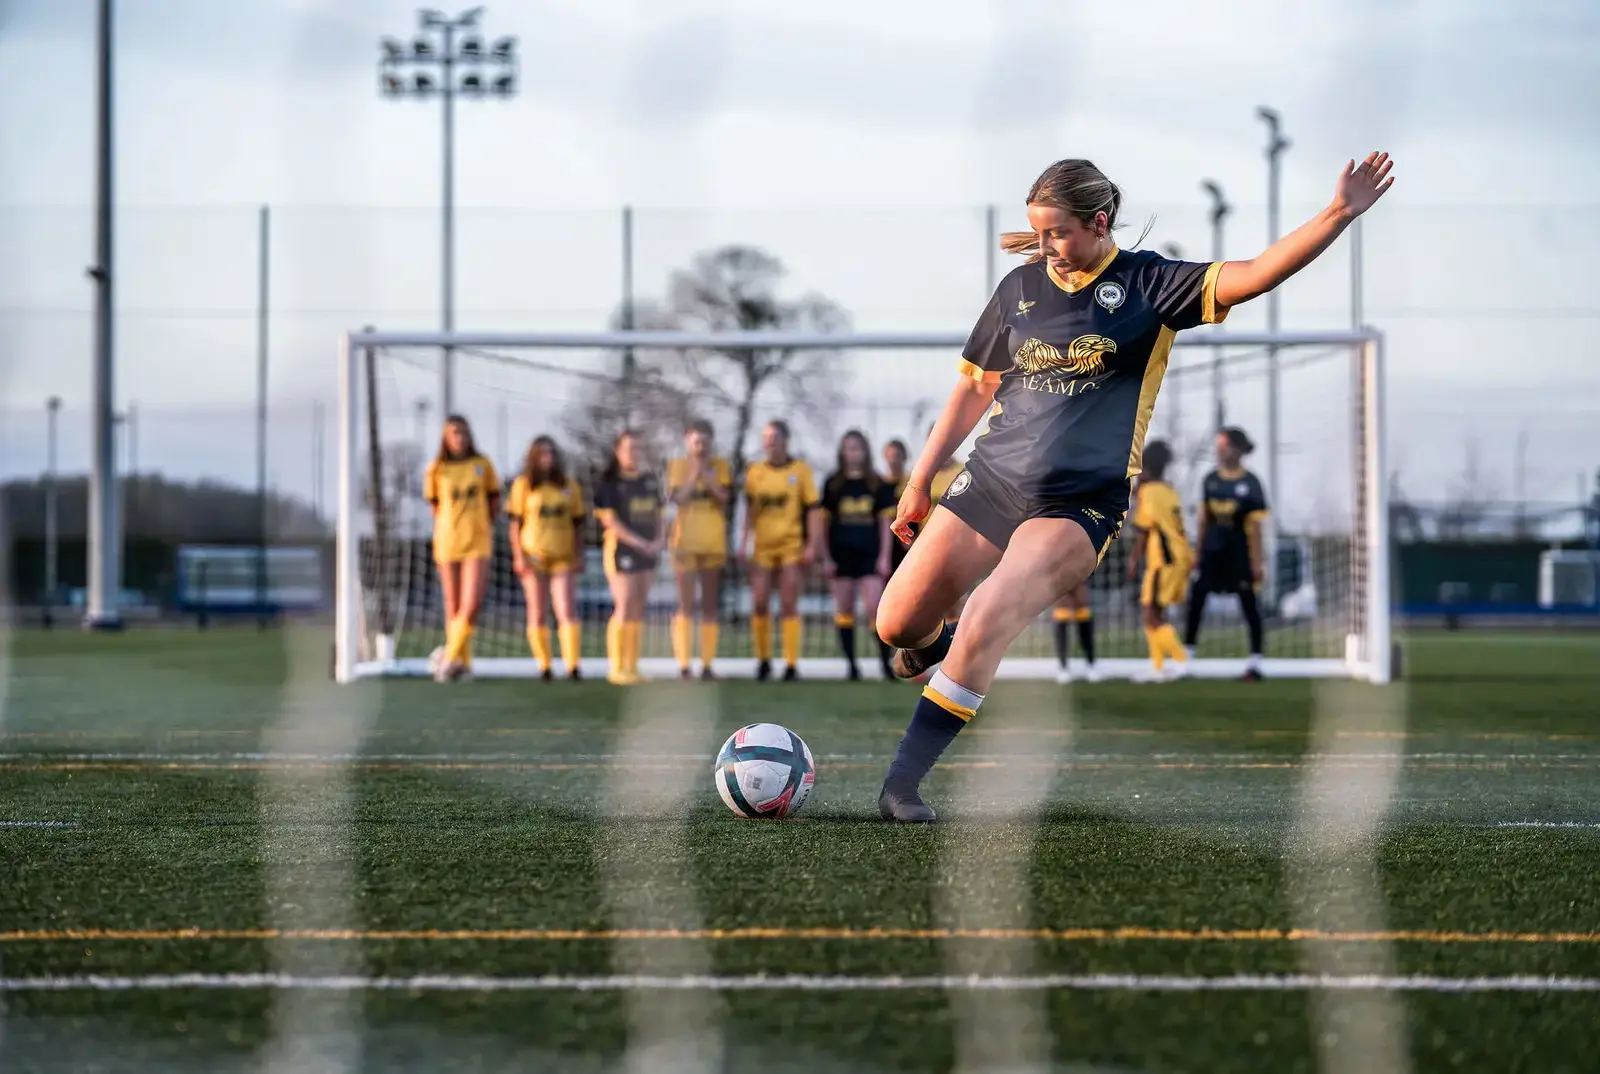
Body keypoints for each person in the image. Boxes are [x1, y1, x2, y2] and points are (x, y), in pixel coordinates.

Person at [875, 151, 1395, 822]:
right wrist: (920, 482)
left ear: (1098, 222)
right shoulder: (1019, 289)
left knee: (986, 618)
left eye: (1057, 233)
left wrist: (1335, 214)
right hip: (990, 482)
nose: (1046, 248)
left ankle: (901, 787)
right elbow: (975, 387)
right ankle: (939, 646)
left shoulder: (1150, 285)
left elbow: (1255, 275)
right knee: (896, 625)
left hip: (1076, 505)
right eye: (1037, 235)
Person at [1184, 427, 1269, 681]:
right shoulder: (1210, 479)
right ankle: (1186, 659)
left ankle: (1255, 663)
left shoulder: (1251, 483)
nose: (1220, 450)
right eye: (1218, 445)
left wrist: (1257, 561)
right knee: (1196, 599)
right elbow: (1203, 520)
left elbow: (1255, 528)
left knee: (1249, 604)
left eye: (1225, 445)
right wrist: (1197, 554)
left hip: (1238, 554)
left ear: (1238, 449)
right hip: (1211, 552)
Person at [741, 420, 823, 681]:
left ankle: (790, 664)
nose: (770, 441)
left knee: (789, 602)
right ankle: (763, 661)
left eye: (774, 436)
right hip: (763, 547)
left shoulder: (800, 470)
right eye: (766, 437)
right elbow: (750, 511)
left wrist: (811, 545)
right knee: (760, 601)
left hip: (790, 545)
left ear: (785, 440)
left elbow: (813, 510)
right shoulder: (755, 472)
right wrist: (743, 543)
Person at [423, 415, 500, 683]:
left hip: (477, 541)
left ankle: (449, 657)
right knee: (453, 605)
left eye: (463, 432)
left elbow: (493, 501)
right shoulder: (437, 469)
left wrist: (479, 524)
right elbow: (435, 506)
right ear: (446, 437)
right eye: (454, 433)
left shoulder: (482, 465)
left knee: (472, 603)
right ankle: (462, 663)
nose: (460, 438)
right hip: (448, 541)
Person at [506, 435, 585, 682]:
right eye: (542, 454)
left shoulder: (569, 486)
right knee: (537, 611)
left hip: (563, 555)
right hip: (534, 556)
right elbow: (515, 524)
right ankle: (545, 665)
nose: (547, 458)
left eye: (551, 453)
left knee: (566, 609)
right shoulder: (524, 486)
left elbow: (578, 523)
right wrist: (519, 556)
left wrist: (578, 553)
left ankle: (572, 666)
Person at [820, 430, 898, 679]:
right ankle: (852, 666)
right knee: (844, 610)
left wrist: (884, 557)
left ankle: (885, 664)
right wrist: (826, 557)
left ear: (865, 451)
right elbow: (821, 523)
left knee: (875, 608)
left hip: (869, 554)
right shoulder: (833, 484)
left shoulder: (877, 484)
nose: (853, 452)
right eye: (848, 448)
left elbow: (885, 523)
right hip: (841, 554)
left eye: (857, 448)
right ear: (842, 452)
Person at [594, 429, 664, 685]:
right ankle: (617, 667)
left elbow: (659, 515)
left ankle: (632, 666)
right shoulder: (610, 483)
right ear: (618, 451)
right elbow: (610, 522)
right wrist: (639, 543)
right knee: (624, 605)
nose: (634, 453)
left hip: (647, 551)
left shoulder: (649, 480)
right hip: (622, 551)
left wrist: (658, 540)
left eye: (638, 448)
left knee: (637, 608)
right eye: (629, 448)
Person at [667, 420, 733, 681]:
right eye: (696, 442)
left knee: (709, 604)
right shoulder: (678, 467)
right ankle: (684, 664)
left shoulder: (720, 468)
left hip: (712, 542)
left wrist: (708, 475)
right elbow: (678, 497)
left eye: (705, 442)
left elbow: (724, 498)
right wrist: (694, 473)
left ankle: (706, 664)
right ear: (687, 441)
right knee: (685, 605)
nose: (701, 448)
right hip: (685, 543)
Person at [1125, 439, 1193, 682]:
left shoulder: (1149, 493)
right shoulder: (1168, 489)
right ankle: (1158, 667)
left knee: (1149, 614)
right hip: (1179, 556)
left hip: (1163, 560)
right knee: (1156, 613)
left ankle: (1181, 661)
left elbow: (1144, 529)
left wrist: (1133, 559)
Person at [1050, 584, 1098, 684]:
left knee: (1084, 620)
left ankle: (1091, 664)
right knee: (1061, 619)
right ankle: (1063, 667)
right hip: (1061, 591)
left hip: (1078, 591)